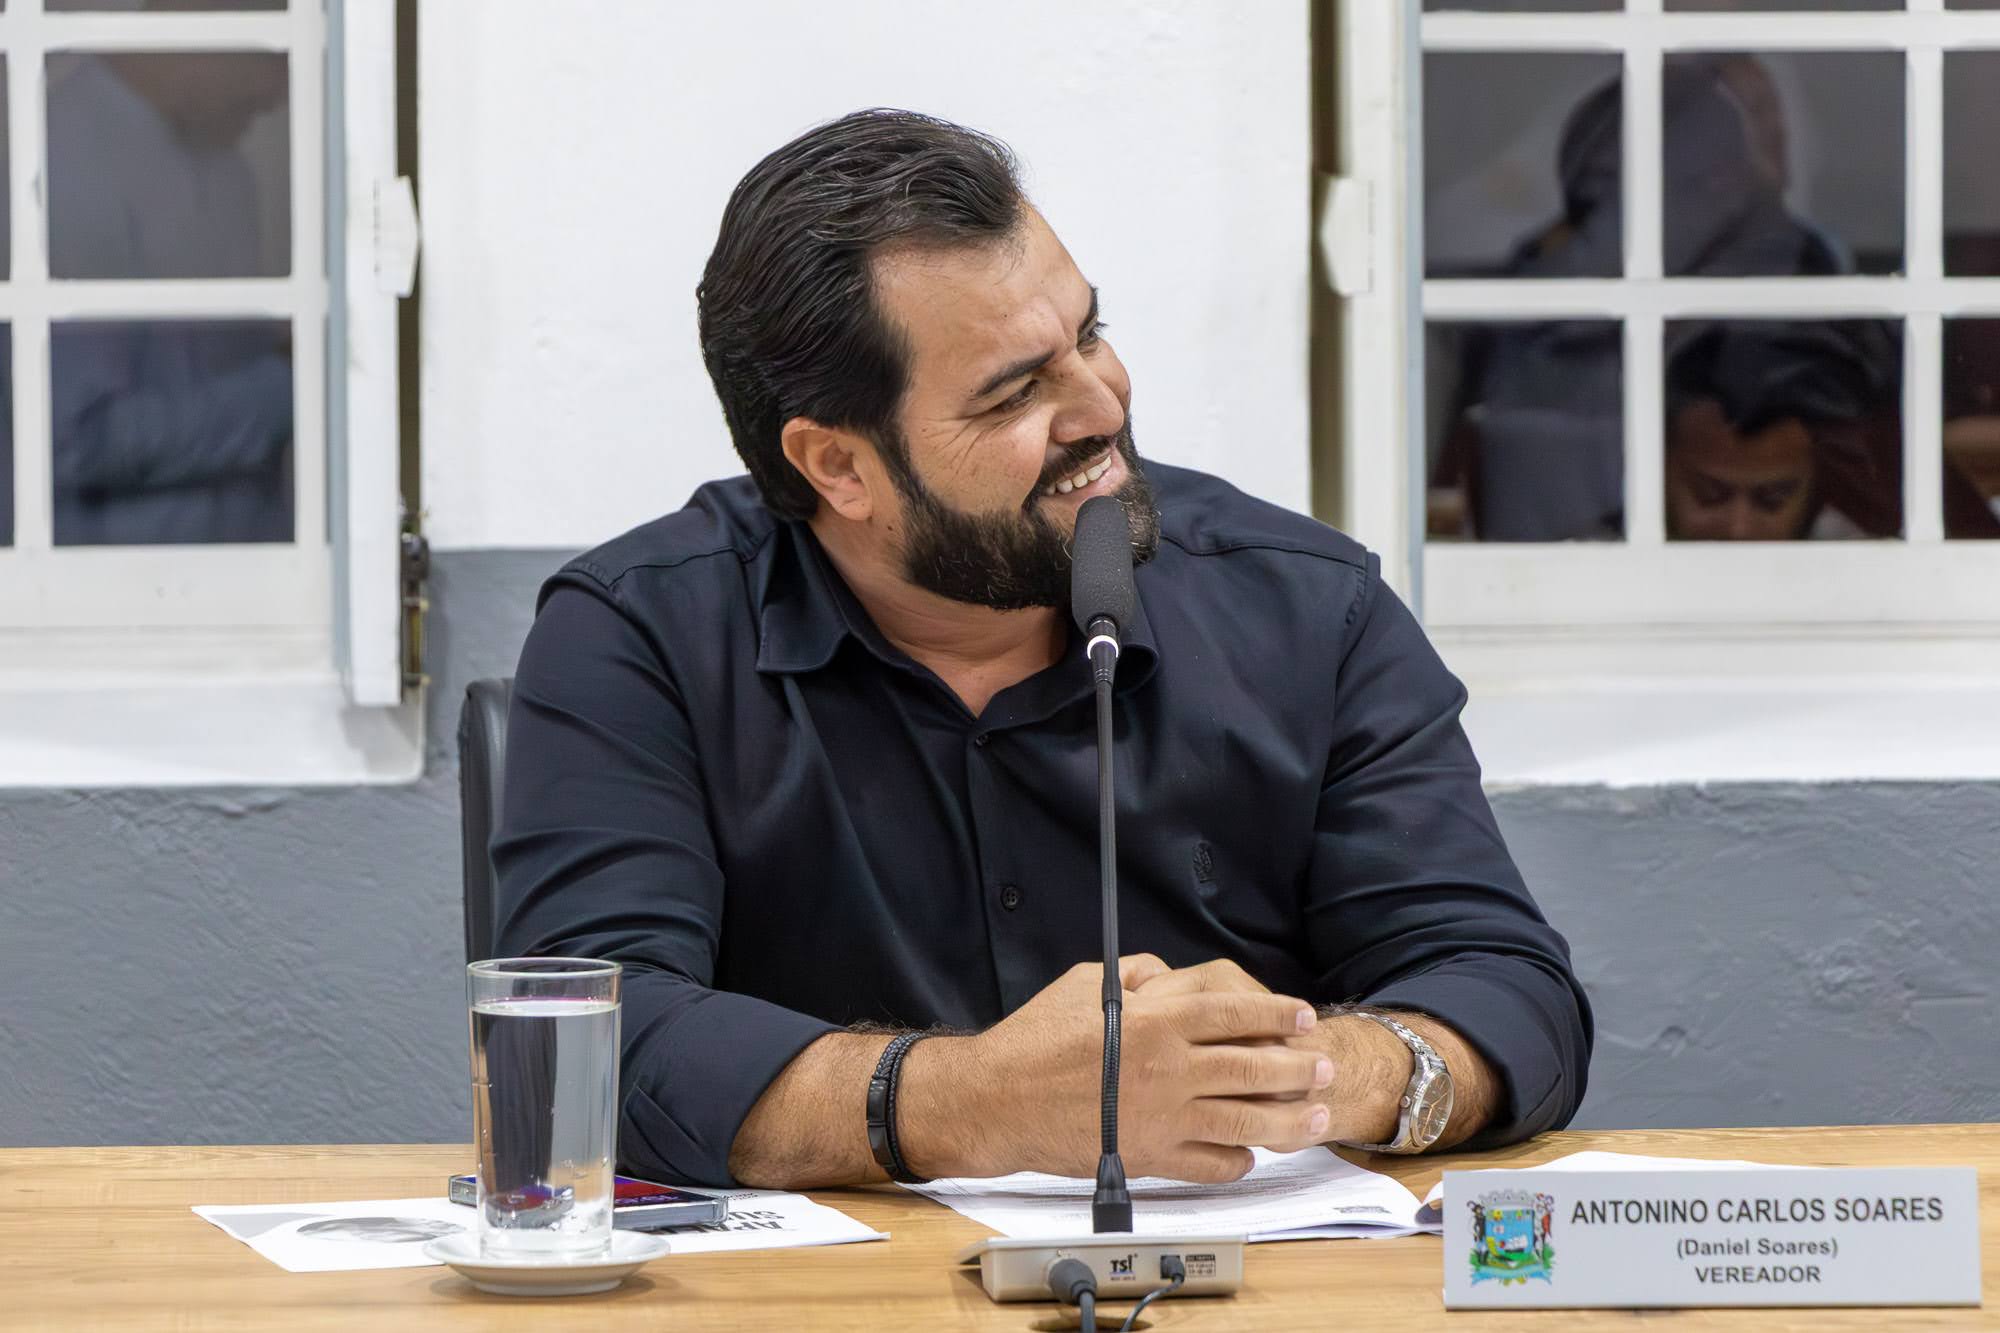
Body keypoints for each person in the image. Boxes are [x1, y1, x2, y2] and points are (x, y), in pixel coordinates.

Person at [495, 110, 1592, 1190]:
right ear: (838, 466)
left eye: (1089, 334)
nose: (1100, 405)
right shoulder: (638, 635)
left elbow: (1505, 991)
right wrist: (968, 1102)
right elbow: (581, 1048)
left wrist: (1304, 1076)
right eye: (1015, 392)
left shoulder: (1310, 610)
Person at [45, 47, 293, 546]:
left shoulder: (228, 173)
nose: (278, 96)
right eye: (275, 59)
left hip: (251, 566)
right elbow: (77, 442)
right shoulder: (64, 166)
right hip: (119, 579)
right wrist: (289, 386)